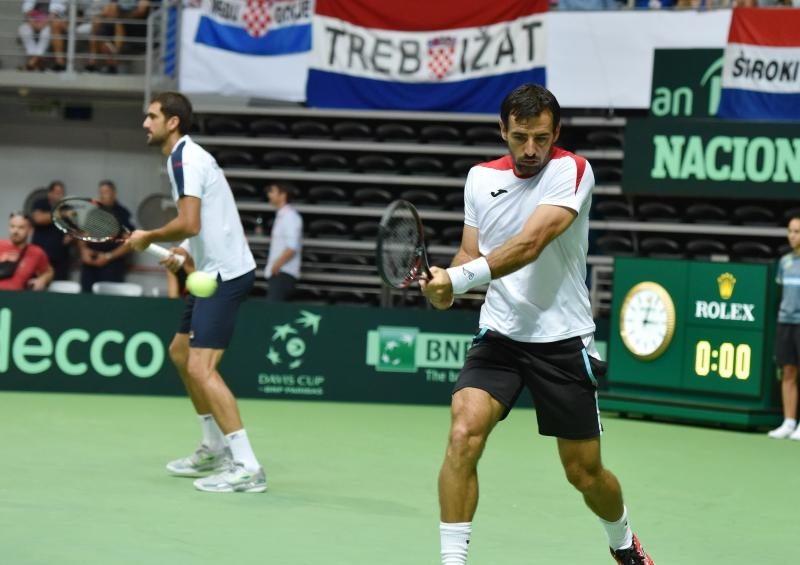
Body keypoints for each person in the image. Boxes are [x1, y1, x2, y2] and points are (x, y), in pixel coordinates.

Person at [420, 84, 655, 565]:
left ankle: (623, 540)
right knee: (463, 433)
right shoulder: (479, 179)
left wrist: (461, 276)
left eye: (542, 138)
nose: (531, 149)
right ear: (502, 130)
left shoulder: (572, 171)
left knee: (584, 473)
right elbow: (471, 254)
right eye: (521, 136)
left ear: (556, 134)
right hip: (500, 335)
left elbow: (531, 244)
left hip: (561, 340)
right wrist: (446, 287)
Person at [129, 91, 265, 493]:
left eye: (152, 116)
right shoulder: (184, 158)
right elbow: (205, 222)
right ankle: (213, 446)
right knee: (180, 352)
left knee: (202, 369)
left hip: (225, 274)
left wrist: (149, 236)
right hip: (212, 268)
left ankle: (247, 465)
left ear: (173, 122)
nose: (145, 123)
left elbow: (189, 222)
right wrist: (182, 252)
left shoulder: (185, 158)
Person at [768, 216, 800, 440]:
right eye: (790, 231)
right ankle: (788, 422)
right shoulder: (784, 262)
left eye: (797, 232)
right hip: (785, 322)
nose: (792, 236)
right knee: (788, 372)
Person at [78, 180, 134, 293]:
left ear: (114, 193)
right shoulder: (93, 212)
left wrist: (108, 256)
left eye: (106, 192)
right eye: (101, 193)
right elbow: (83, 234)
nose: (103, 196)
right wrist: (83, 250)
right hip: (90, 264)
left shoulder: (123, 214)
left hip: (112, 265)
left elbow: (130, 242)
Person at [264, 182, 302, 302]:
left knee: (273, 313)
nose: (269, 194)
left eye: (272, 191)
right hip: (279, 273)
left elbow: (292, 247)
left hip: (283, 273)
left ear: (283, 195)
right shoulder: (282, 216)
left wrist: (276, 265)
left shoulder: (290, 217)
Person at [30, 180, 73, 280]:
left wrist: (71, 236)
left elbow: (75, 229)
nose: (60, 196)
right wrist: (61, 214)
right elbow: (38, 218)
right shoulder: (41, 203)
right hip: (41, 255)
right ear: (50, 193)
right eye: (57, 193)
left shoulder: (67, 207)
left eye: (62, 193)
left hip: (60, 258)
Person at [0, 211, 53, 291]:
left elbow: (49, 272)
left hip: (17, 298)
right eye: (12, 226)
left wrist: (42, 280)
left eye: (21, 227)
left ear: (30, 230)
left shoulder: (36, 252)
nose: (15, 231)